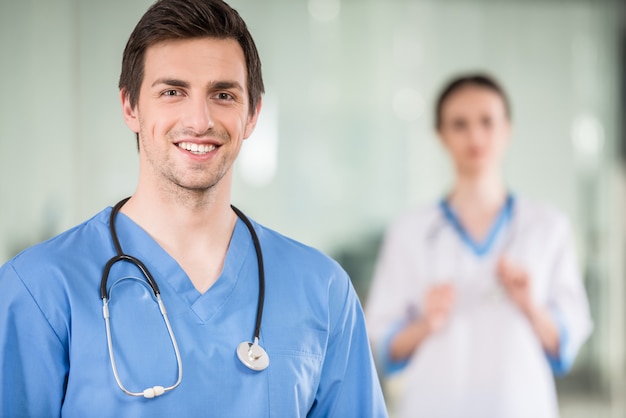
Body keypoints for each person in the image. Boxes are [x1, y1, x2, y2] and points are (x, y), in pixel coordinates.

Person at [0, 1, 387, 417]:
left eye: (223, 94)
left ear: (252, 113)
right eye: (172, 92)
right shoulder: (40, 287)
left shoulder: (322, 289)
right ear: (130, 106)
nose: (200, 120)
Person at [365, 73, 592, 418]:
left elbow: (566, 346)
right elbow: (383, 347)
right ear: (440, 134)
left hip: (521, 406)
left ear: (507, 130)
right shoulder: (409, 231)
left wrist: (530, 305)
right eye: (459, 124)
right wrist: (426, 322)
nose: (475, 136)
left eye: (487, 121)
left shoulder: (548, 226)